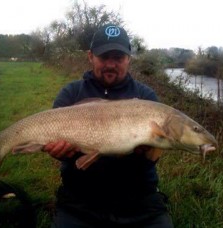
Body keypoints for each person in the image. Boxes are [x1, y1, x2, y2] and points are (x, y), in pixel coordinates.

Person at [44, 24, 174, 227]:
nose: (111, 64)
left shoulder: (146, 98)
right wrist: (60, 152)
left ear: (129, 59)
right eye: (104, 57)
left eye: (118, 58)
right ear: (90, 56)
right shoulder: (71, 94)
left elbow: (150, 161)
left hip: (138, 200)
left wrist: (144, 153)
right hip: (80, 200)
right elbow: (61, 153)